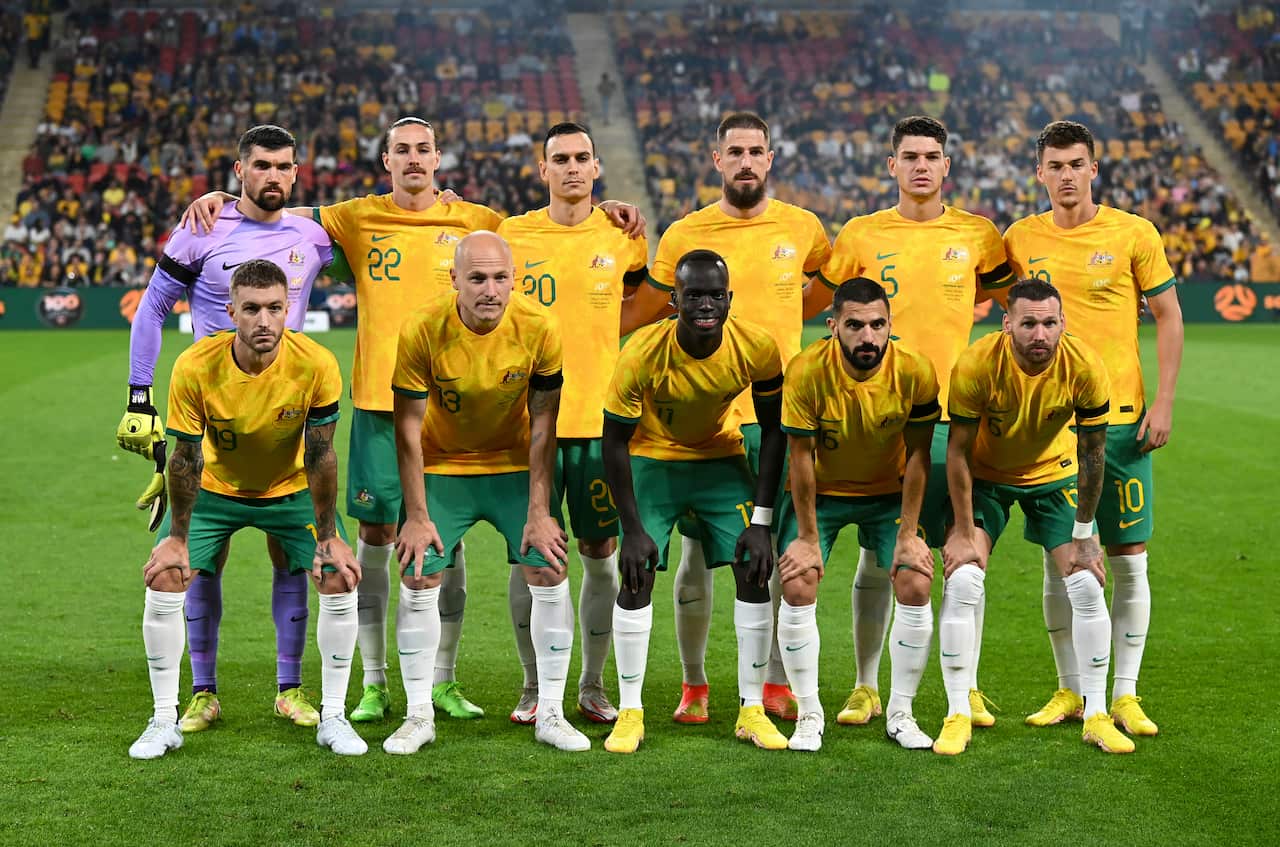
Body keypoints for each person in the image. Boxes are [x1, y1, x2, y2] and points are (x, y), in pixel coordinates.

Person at [183, 117, 644, 725]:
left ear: (438, 158)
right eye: (401, 150)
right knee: (380, 541)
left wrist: (605, 209)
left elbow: (566, 250)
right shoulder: (353, 216)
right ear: (386, 161)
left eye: (423, 149)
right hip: (383, 405)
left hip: (467, 416)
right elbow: (281, 211)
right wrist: (225, 199)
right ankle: (376, 684)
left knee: (457, 548)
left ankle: (446, 681)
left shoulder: (478, 221)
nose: (414, 160)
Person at [117, 124, 334, 734]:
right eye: (260, 164)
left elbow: (385, 249)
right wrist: (140, 396)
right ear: (239, 169)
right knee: (197, 561)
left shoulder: (313, 235)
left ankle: (290, 689)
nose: (273, 175)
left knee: (292, 559)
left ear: (296, 173)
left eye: (283, 166)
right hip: (207, 417)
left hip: (283, 416)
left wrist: (441, 204)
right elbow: (153, 308)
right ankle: (202, 693)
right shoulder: (200, 229)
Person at [622, 111, 831, 724]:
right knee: (695, 556)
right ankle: (694, 684)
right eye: (734, 150)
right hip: (704, 420)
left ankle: (766, 684)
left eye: (756, 150)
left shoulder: (804, 228)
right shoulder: (687, 231)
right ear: (717, 160)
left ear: (771, 158)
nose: (745, 161)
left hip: (779, 418)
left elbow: (816, 293)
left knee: (766, 555)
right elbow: (655, 307)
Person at [813, 115, 1014, 731]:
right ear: (891, 165)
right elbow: (827, 309)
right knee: (883, 557)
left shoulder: (979, 235)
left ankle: (968, 686)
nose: (921, 165)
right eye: (909, 155)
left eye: (932, 155)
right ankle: (867, 686)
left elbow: (1019, 305)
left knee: (962, 556)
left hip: (956, 419)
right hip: (882, 421)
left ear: (946, 166)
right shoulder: (861, 234)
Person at [128, 260, 364, 759]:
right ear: (230, 311)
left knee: (339, 575)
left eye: (275, 308)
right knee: (167, 575)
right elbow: (185, 457)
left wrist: (328, 535)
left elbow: (321, 453)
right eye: (252, 309)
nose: (264, 320)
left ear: (288, 310)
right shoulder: (196, 365)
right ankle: (164, 718)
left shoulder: (317, 363)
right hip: (214, 489)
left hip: (290, 489)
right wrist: (177, 538)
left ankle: (336, 716)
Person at [1004, 120, 1183, 737]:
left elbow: (1167, 315)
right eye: (1055, 166)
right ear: (1041, 173)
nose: (1066, 175)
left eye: (1077, 163)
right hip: (1050, 427)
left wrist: (1163, 401)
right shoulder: (1020, 238)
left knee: (1129, 559)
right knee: (1062, 563)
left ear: (1094, 168)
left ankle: (1126, 693)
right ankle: (1073, 689)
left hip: (1123, 419)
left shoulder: (1134, 233)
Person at [388, 231, 588, 753]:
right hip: (443, 465)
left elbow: (545, 423)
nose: (490, 290)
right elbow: (407, 427)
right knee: (417, 568)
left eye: (501, 278)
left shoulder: (540, 329)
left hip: (514, 464)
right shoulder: (421, 329)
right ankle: (417, 716)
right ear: (453, 278)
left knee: (549, 563)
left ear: (514, 280)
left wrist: (541, 511)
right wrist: (414, 514)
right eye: (477, 278)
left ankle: (550, 712)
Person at [937, 277, 1134, 756]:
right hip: (986, 477)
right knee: (963, 579)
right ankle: (958, 711)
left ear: (1063, 323)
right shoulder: (977, 363)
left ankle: (1095, 713)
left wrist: (1086, 535)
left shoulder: (1084, 365)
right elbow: (957, 452)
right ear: (1008, 325)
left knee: (1086, 582)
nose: (1040, 334)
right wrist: (963, 532)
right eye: (1029, 323)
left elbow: (1093, 452)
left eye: (1049, 323)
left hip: (1053, 473)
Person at [601, 249, 786, 754]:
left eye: (715, 295)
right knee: (635, 573)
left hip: (718, 459)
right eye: (693, 295)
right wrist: (632, 528)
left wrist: (763, 521)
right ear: (673, 300)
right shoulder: (641, 351)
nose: (705, 304)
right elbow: (613, 442)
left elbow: (774, 433)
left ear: (729, 299)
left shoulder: (757, 347)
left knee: (754, 565)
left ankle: (750, 709)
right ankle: (631, 712)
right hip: (652, 459)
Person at [496, 122, 649, 725]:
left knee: (599, 549)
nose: (572, 168)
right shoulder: (512, 235)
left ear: (596, 168)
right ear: (543, 170)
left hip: (597, 421)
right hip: (526, 423)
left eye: (582, 158)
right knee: (529, 554)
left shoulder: (622, 236)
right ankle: (533, 686)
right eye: (560, 159)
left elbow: (637, 303)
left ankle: (591, 683)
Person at [775, 278, 940, 752]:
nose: (867, 337)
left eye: (877, 325)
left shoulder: (915, 371)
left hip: (887, 493)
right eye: (854, 325)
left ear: (890, 326)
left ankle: (901, 712)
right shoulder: (806, 371)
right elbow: (800, 458)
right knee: (798, 579)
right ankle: (809, 715)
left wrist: (909, 533)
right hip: (822, 493)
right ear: (833, 327)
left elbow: (918, 455)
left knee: (916, 580)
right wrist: (807, 537)